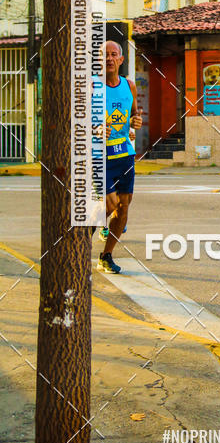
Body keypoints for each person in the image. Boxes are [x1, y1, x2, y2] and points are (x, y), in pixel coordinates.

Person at [95, 41, 142, 273]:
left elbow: (134, 114)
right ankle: (80, 234)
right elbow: (76, 120)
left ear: (121, 60)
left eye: (114, 55)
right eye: (105, 55)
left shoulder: (129, 86)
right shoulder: (91, 87)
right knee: (110, 203)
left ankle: (106, 255)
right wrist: (94, 129)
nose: (109, 59)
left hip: (124, 154)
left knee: (123, 208)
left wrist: (135, 122)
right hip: (100, 156)